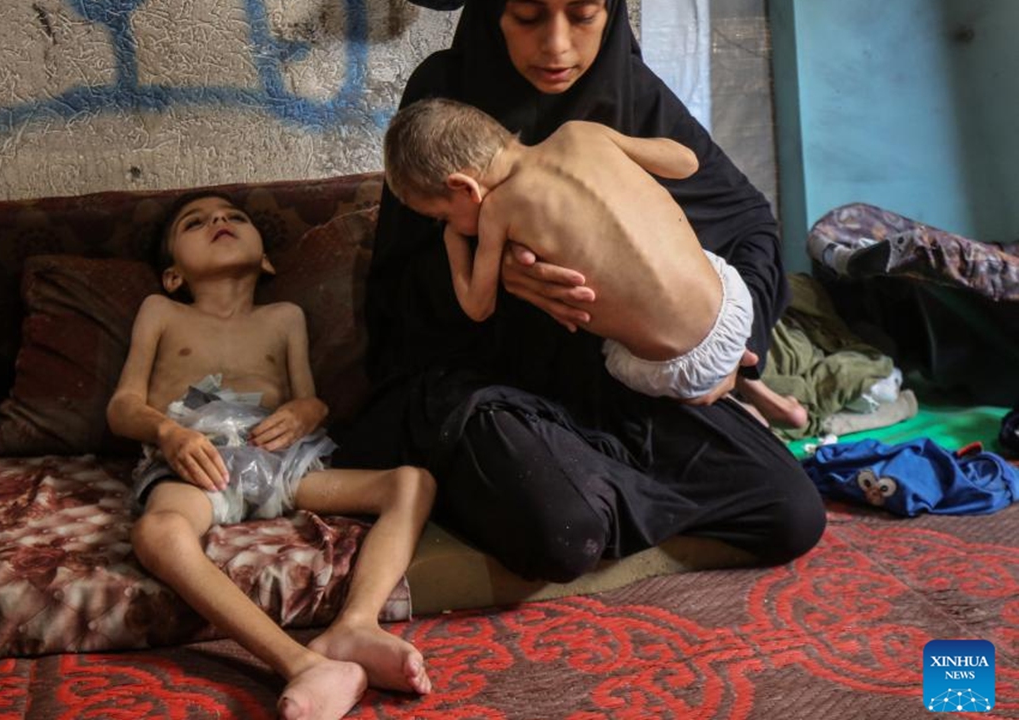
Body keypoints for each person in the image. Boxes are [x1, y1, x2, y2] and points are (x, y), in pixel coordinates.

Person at [333, 0, 826, 582]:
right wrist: (506, 282)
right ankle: (595, 493)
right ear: (494, 16)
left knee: (789, 511)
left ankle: (594, 486)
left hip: (614, 380)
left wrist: (736, 351)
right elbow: (397, 289)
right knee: (562, 532)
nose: (558, 46)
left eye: (584, 15)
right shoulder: (445, 96)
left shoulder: (629, 96)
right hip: (492, 378)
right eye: (527, 17)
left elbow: (747, 223)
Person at [107, 192, 435, 720]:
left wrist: (309, 409)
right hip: (199, 463)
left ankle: (356, 627)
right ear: (173, 275)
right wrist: (169, 434)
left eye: (233, 216)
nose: (218, 220)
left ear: (265, 260)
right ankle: (300, 662)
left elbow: (308, 399)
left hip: (281, 461)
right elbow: (122, 406)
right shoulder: (162, 311)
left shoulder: (284, 317)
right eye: (196, 222)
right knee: (157, 532)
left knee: (412, 482)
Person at [382, 97, 807, 427]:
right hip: (734, 303)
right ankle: (757, 389)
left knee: (610, 353)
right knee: (683, 264)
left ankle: (736, 409)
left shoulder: (498, 210)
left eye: (442, 215)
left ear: (464, 188)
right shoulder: (580, 133)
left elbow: (478, 306)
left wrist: (454, 241)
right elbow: (687, 163)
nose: (448, 224)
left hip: (679, 370)